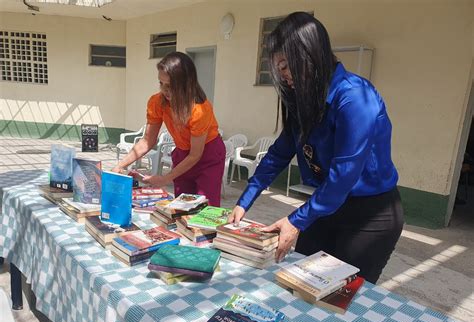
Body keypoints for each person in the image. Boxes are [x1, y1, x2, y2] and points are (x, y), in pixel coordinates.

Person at [228, 12, 403, 284]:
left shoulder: (355, 97)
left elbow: (343, 176)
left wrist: (295, 221)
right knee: (297, 281)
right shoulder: (304, 98)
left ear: (309, 54)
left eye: (286, 66)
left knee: (341, 294)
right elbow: (279, 153)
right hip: (325, 205)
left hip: (369, 217)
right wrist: (245, 200)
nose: (284, 77)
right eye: (279, 69)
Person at [113, 52, 225, 206]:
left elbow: (195, 155)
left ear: (186, 84)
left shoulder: (200, 109)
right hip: (183, 154)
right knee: (181, 206)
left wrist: (165, 178)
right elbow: (147, 141)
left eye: (171, 86)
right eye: (161, 84)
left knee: (205, 209)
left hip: (208, 156)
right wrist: (120, 165)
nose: (165, 90)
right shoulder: (157, 102)